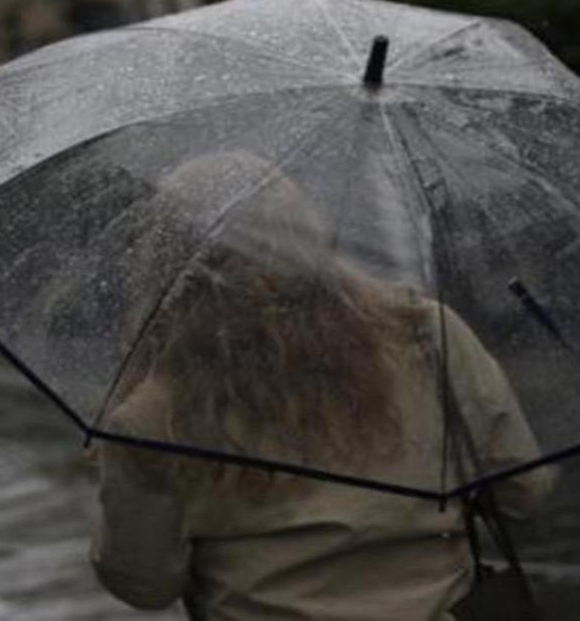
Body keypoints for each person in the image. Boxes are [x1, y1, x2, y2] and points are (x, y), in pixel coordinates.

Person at [87, 154, 554, 620]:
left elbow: (144, 583)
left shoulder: (151, 417)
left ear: (168, 257)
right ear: (307, 231)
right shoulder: (425, 335)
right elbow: (522, 490)